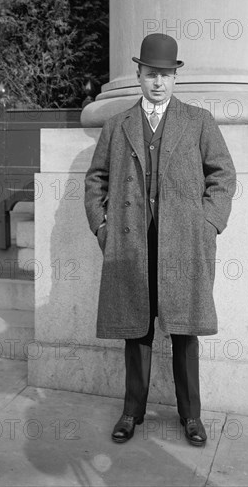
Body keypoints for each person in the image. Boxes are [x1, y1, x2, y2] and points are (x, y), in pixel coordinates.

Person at [84, 33, 236, 446]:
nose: (158, 83)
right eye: (151, 74)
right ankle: (132, 411)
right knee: (137, 330)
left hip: (184, 244)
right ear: (138, 75)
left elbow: (222, 175)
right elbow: (95, 179)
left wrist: (208, 223)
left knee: (185, 330)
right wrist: (102, 227)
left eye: (165, 75)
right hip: (133, 245)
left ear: (175, 78)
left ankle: (191, 417)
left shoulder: (198, 121)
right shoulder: (118, 126)